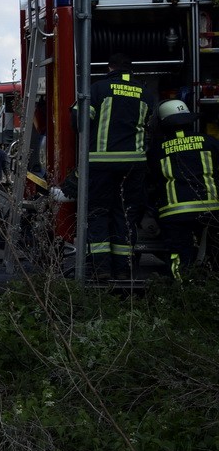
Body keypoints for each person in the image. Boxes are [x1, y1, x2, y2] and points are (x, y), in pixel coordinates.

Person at [78, 52, 156, 280]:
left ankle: (102, 268)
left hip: (101, 165)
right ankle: (124, 270)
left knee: (98, 213)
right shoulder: (146, 93)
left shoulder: (98, 89)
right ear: (131, 71)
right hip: (134, 166)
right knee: (125, 215)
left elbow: (78, 120)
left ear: (109, 69)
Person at [147, 99, 219, 280]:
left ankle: (184, 292)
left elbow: (151, 181)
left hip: (175, 213)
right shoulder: (210, 142)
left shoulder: (157, 150)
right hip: (211, 209)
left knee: (180, 255)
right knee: (215, 252)